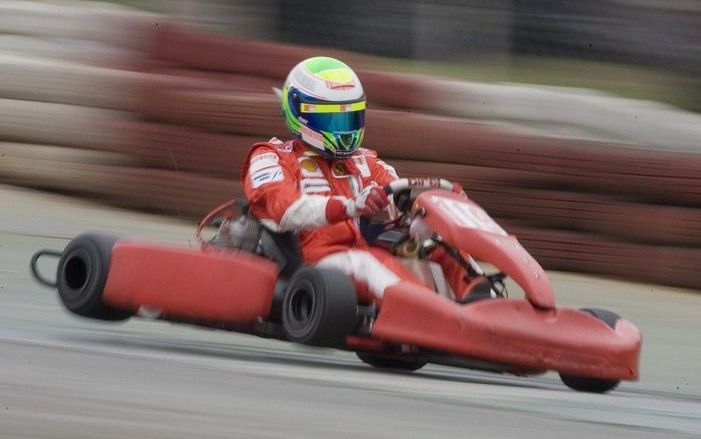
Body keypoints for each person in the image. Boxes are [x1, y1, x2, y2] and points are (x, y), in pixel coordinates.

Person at [242, 56, 490, 304]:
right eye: (331, 119)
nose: (344, 130)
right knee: (367, 263)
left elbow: (398, 193)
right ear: (300, 112)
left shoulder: (364, 161)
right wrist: (349, 206)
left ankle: (487, 303)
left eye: (350, 118)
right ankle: (432, 316)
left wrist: (426, 213)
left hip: (367, 248)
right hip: (317, 260)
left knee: (438, 245)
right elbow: (284, 210)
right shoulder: (271, 156)